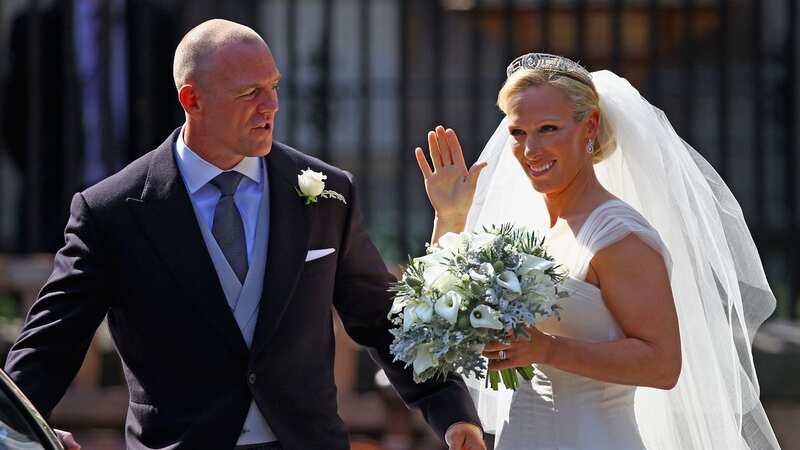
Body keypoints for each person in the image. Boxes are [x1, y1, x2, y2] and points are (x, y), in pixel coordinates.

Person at [4, 19, 485, 450]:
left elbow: (381, 319)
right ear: (191, 100)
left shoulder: (327, 193)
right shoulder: (111, 211)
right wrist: (16, 428)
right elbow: (52, 341)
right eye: (248, 92)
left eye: (273, 86)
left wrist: (451, 412)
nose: (271, 105)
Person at [414, 53, 780, 449]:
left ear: (588, 126)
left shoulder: (620, 236)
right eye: (518, 133)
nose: (530, 149)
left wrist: (548, 349)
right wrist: (450, 219)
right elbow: (438, 333)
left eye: (547, 129)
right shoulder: (523, 230)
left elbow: (663, 365)